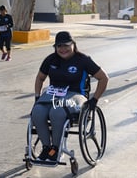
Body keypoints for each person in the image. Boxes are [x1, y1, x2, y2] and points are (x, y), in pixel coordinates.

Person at [31, 31, 109, 161]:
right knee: (37, 112)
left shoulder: (83, 60)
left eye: (66, 45)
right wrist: (37, 97)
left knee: (57, 112)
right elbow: (40, 78)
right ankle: (47, 148)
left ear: (73, 44)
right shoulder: (50, 60)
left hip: (76, 95)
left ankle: (56, 149)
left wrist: (94, 99)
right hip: (53, 94)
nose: (62, 49)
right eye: (59, 46)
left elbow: (103, 78)